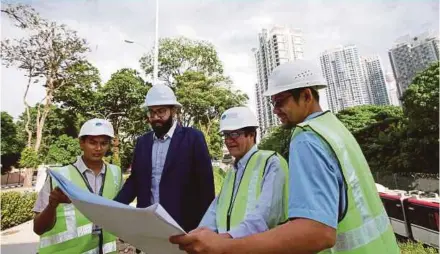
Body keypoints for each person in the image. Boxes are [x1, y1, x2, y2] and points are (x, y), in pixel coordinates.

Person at [170, 59, 400, 254]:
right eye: (272, 103)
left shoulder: (305, 139)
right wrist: (204, 233)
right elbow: (218, 208)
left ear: (307, 96)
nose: (275, 110)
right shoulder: (334, 129)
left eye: (280, 101)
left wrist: (225, 245)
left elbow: (317, 231)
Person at [114, 84, 215, 233]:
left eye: (161, 111)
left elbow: (205, 187)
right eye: (151, 112)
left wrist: (206, 228)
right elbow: (135, 181)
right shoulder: (143, 142)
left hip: (183, 227)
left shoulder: (193, 138)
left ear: (173, 111)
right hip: (149, 226)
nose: (155, 117)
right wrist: (114, 207)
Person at [197, 106, 289, 239]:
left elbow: (266, 216)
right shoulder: (232, 171)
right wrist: (198, 234)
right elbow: (215, 211)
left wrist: (227, 238)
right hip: (229, 247)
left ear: (251, 134)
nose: (229, 140)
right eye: (226, 135)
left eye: (234, 134)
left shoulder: (271, 162)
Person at [33, 118, 122, 254]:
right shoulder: (58, 177)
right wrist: (52, 206)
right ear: (81, 143)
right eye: (92, 142)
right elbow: (38, 228)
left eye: (103, 143)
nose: (98, 148)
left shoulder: (116, 174)